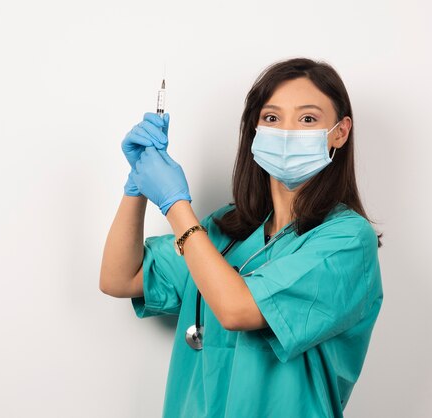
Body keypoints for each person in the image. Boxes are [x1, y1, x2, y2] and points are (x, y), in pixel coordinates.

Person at [100, 57, 383, 418]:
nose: (287, 132)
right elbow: (119, 277)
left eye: (308, 119)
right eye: (272, 118)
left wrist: (175, 205)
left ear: (340, 132)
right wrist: (138, 184)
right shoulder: (225, 228)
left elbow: (237, 309)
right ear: (254, 130)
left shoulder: (346, 241)